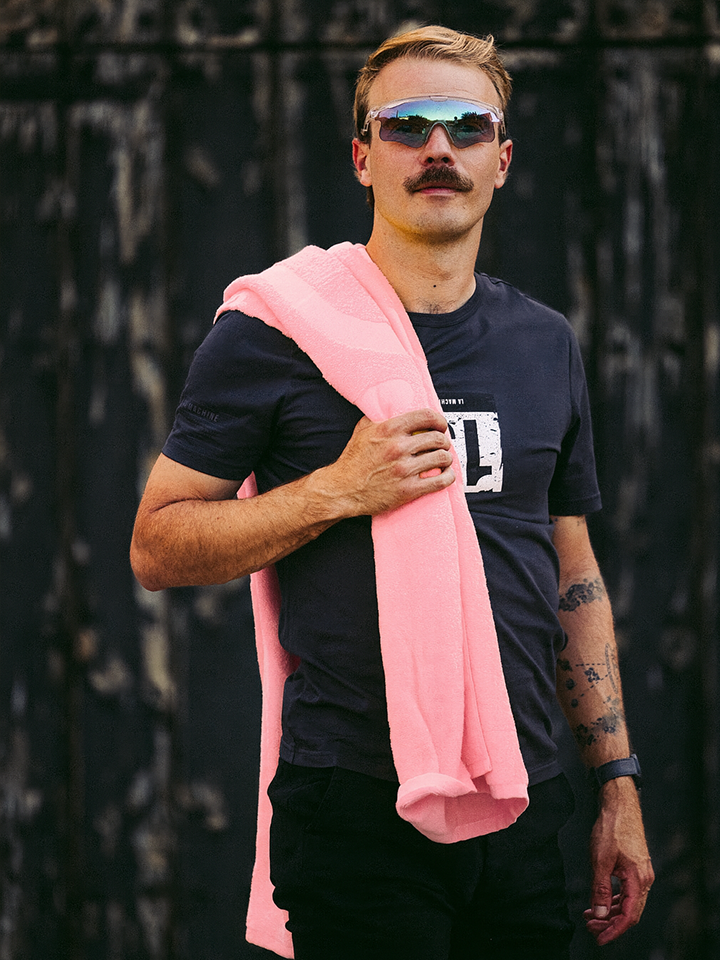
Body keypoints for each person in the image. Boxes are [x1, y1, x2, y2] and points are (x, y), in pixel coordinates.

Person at [131, 25, 654, 960]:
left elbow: (571, 571)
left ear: (502, 157)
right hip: (355, 802)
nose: (439, 149)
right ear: (366, 157)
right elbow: (158, 544)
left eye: (466, 125)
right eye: (409, 126)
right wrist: (335, 489)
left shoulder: (545, 344)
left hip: (526, 797)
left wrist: (617, 785)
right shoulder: (277, 332)